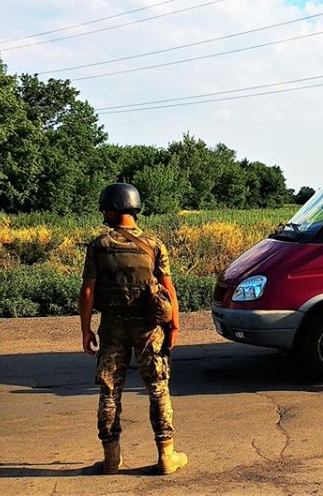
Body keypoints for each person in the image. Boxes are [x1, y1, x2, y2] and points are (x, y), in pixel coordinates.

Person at [79, 183, 189, 475]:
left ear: (116, 207)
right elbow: (168, 288)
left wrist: (86, 329)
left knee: (109, 391)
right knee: (157, 388)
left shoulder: (99, 245)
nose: (104, 212)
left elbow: (88, 292)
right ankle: (167, 455)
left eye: (106, 207)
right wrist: (174, 326)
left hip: (112, 327)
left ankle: (112, 459)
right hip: (149, 328)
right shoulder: (154, 245)